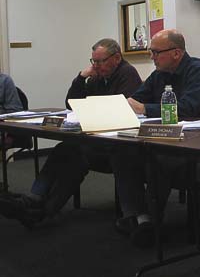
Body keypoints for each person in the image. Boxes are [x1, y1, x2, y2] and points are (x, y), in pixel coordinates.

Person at [0, 39, 142, 227]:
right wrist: (81, 78)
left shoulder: (127, 74)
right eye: (93, 61)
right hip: (97, 140)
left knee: (75, 155)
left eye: (100, 61)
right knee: (65, 151)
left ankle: (40, 209)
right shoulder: (99, 76)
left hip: (118, 145)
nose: (96, 66)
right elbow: (71, 103)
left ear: (116, 58)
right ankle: (35, 201)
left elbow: (117, 109)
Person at [111, 29, 200, 247]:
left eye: (156, 52)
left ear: (176, 53)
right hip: (163, 136)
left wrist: (145, 109)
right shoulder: (159, 74)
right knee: (122, 152)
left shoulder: (199, 71)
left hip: (194, 142)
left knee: (157, 158)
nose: (152, 57)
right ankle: (139, 218)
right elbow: (136, 99)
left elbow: (188, 108)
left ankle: (151, 219)